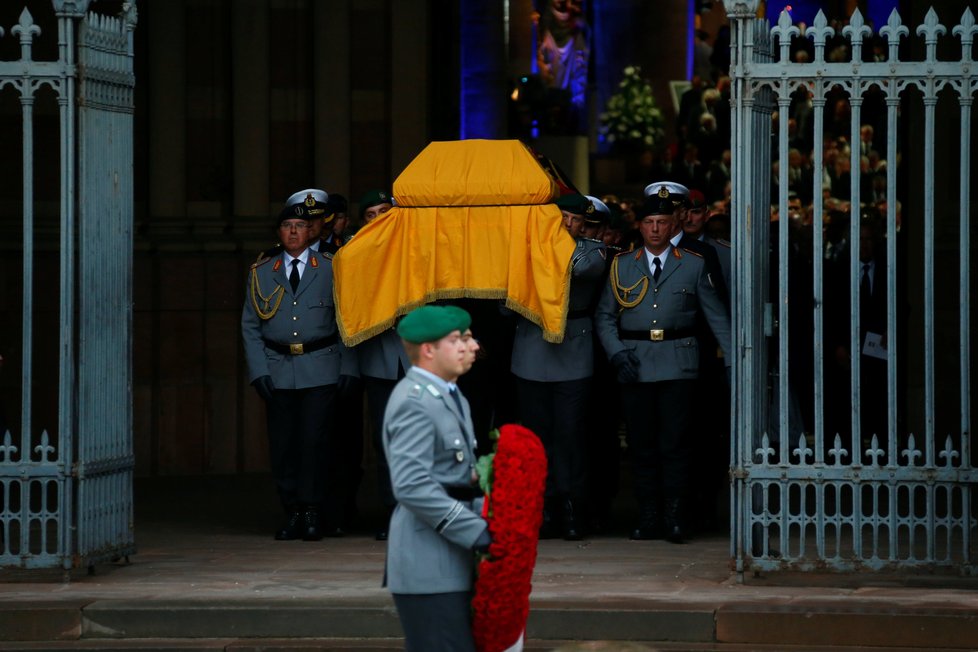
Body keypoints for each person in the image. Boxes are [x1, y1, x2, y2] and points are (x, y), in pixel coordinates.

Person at [595, 189, 731, 544]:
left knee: (676, 445)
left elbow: (716, 318)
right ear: (640, 227)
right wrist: (616, 353)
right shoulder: (622, 264)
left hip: (678, 364)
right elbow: (605, 317)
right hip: (635, 362)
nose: (655, 229)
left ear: (674, 225)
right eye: (649, 223)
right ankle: (649, 515)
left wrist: (733, 361)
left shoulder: (693, 263)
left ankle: (674, 516)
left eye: (662, 223)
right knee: (642, 446)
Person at [241, 189, 354, 541]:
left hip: (321, 367)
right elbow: (250, 324)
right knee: (283, 446)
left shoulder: (334, 268)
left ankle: (312, 510)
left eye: (300, 226)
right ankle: (291, 510)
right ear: (279, 232)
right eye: (287, 225)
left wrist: (349, 367)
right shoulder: (262, 270)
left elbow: (348, 321)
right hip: (277, 369)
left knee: (313, 443)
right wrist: (258, 370)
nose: (293, 232)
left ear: (313, 232)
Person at [383, 305, 491, 652]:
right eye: (458, 339)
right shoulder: (414, 401)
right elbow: (412, 486)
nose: (471, 346)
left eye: (470, 337)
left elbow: (459, 478)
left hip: (449, 559)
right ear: (428, 350)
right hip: (428, 565)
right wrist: (477, 531)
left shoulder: (449, 394)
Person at [510, 193, 606, 540]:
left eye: (575, 220)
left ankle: (572, 507)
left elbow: (579, 271)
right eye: (561, 217)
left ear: (584, 224)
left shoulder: (591, 250)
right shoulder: (527, 247)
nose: (568, 224)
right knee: (537, 439)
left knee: (571, 437)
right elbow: (507, 303)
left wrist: (534, 251)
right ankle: (543, 507)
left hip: (572, 352)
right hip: (531, 352)